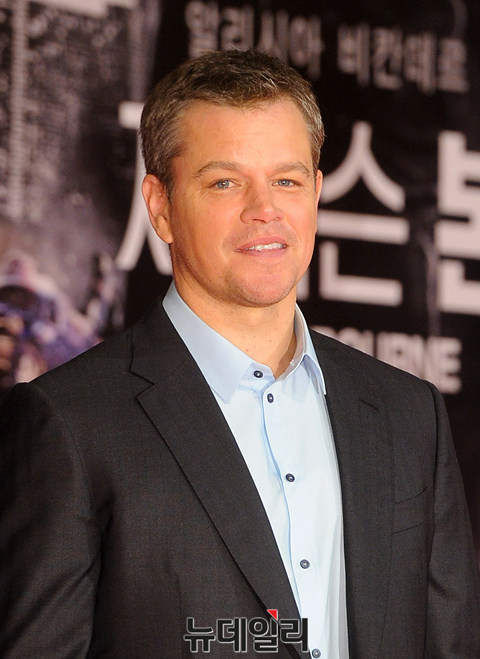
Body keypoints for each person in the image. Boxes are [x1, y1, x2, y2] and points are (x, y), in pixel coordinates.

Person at [0, 49, 479, 659]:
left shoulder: (410, 415)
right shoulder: (69, 423)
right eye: (225, 182)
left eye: (287, 180)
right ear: (160, 206)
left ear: (317, 192)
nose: (265, 210)